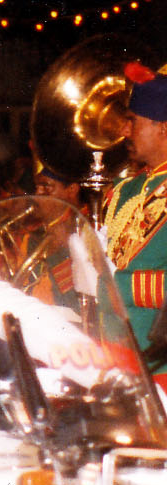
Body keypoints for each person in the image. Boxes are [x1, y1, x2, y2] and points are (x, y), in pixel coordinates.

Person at [103, 63, 167, 387]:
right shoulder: (125, 189)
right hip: (116, 361)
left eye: (134, 121)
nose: (125, 131)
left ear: (162, 128)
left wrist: (118, 286)